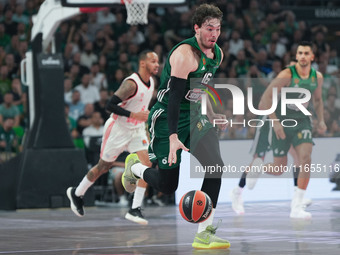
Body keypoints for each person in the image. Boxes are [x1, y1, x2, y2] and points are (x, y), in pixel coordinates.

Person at [121, 4, 230, 249]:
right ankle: (135, 167)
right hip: (166, 119)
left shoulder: (217, 54)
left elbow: (200, 88)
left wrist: (211, 114)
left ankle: (204, 233)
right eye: (209, 28)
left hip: (193, 117)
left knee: (215, 167)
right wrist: (172, 137)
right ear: (197, 28)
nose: (214, 34)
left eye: (218, 29)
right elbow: (173, 100)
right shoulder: (184, 55)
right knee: (169, 186)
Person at [66, 50, 160, 223]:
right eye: (153, 61)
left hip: (136, 129)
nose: (157, 64)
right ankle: (77, 193)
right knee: (103, 166)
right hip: (118, 128)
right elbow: (110, 105)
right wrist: (133, 115)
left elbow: (142, 109)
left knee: (147, 162)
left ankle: (135, 208)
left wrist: (142, 124)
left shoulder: (152, 82)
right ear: (142, 63)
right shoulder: (131, 84)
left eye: (157, 61)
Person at [246, 41, 326, 219]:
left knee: (305, 157)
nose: (303, 56)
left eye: (307, 53)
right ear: (296, 56)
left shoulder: (317, 77)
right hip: (282, 119)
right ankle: (259, 167)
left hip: (302, 120)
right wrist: (274, 122)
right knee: (278, 168)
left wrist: (321, 120)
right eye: (300, 53)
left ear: (312, 57)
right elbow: (265, 100)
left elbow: (318, 100)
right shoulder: (287, 74)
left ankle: (297, 205)